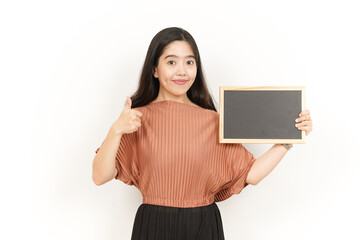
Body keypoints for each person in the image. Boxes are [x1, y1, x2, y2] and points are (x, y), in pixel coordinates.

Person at [92, 27, 313, 240]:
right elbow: (100, 176)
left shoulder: (213, 121)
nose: (182, 71)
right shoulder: (135, 120)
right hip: (153, 225)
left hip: (204, 226)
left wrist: (288, 140)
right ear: (155, 70)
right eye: (171, 62)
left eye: (189, 62)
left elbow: (251, 174)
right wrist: (116, 129)